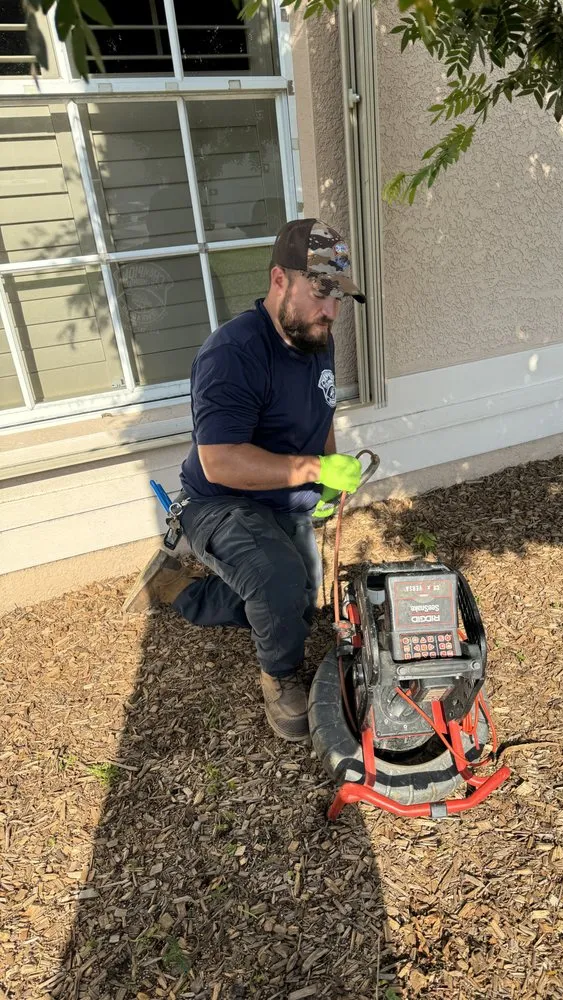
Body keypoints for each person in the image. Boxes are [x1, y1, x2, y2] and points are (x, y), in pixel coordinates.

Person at [122, 219, 366, 744]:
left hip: (282, 501)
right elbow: (221, 462)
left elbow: (320, 421)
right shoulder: (232, 353)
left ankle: (182, 583)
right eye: (321, 292)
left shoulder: (314, 336)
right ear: (280, 279)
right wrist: (315, 471)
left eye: (339, 297)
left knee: (300, 602)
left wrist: (327, 483)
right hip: (218, 501)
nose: (331, 310)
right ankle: (276, 674)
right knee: (279, 582)